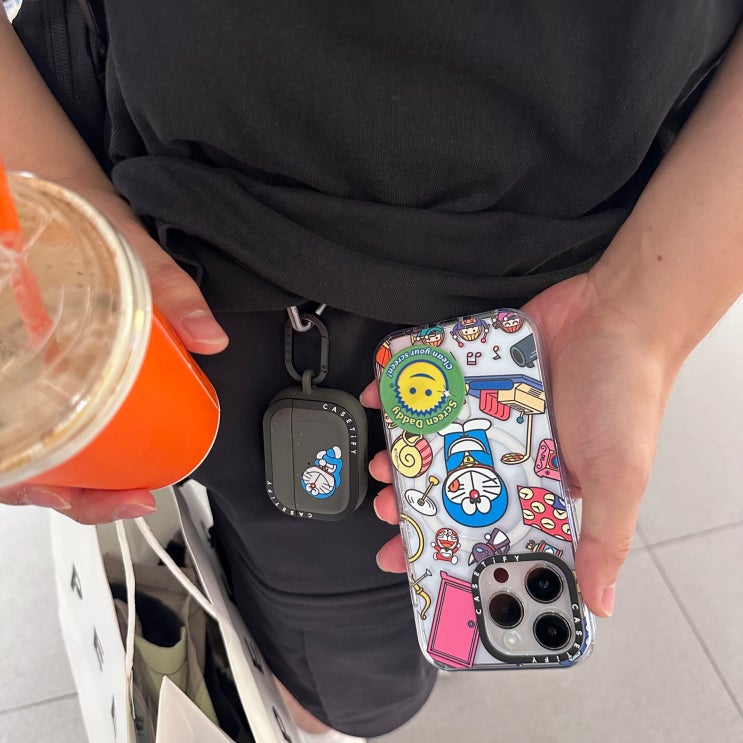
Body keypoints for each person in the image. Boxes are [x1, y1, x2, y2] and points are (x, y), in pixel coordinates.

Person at [1, 3, 742, 741]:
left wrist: (645, 313)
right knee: (347, 675)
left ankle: (321, 697)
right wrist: (57, 203)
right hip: (173, 234)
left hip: (560, 279)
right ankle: (322, 697)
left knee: (351, 671)